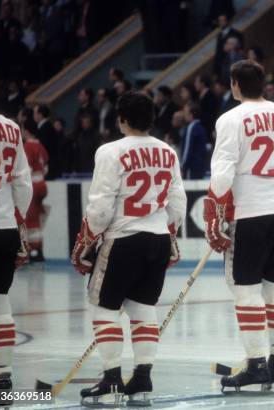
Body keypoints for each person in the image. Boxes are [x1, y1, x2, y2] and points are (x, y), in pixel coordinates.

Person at [71, 92, 186, 407]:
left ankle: (110, 380)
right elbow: (178, 203)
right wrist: (166, 229)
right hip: (158, 238)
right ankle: (142, 377)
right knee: (143, 308)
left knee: (103, 308)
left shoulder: (110, 151)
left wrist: (87, 240)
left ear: (120, 119)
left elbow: (100, 206)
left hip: (123, 238)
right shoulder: (168, 151)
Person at [204, 60, 274, 392]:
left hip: (250, 214)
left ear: (235, 84)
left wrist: (215, 214)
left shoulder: (230, 119)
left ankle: (255, 364)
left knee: (247, 291)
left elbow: (222, 176)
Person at [0, 105, 32, 407]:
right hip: (3, 228)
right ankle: (2, 379)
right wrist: (19, 222)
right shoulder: (9, 127)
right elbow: (22, 184)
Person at [22, 118, 49, 263]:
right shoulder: (41, 147)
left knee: (30, 220)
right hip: (42, 184)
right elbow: (45, 168)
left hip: (32, 184)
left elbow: (27, 169)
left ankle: (32, 252)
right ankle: (38, 250)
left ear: (26, 131)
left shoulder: (27, 147)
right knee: (36, 220)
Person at [180, 104, 207, 180]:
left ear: (191, 115)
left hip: (191, 167)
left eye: (185, 112)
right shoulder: (201, 127)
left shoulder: (191, 127)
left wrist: (183, 167)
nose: (184, 115)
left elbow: (187, 149)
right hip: (200, 167)